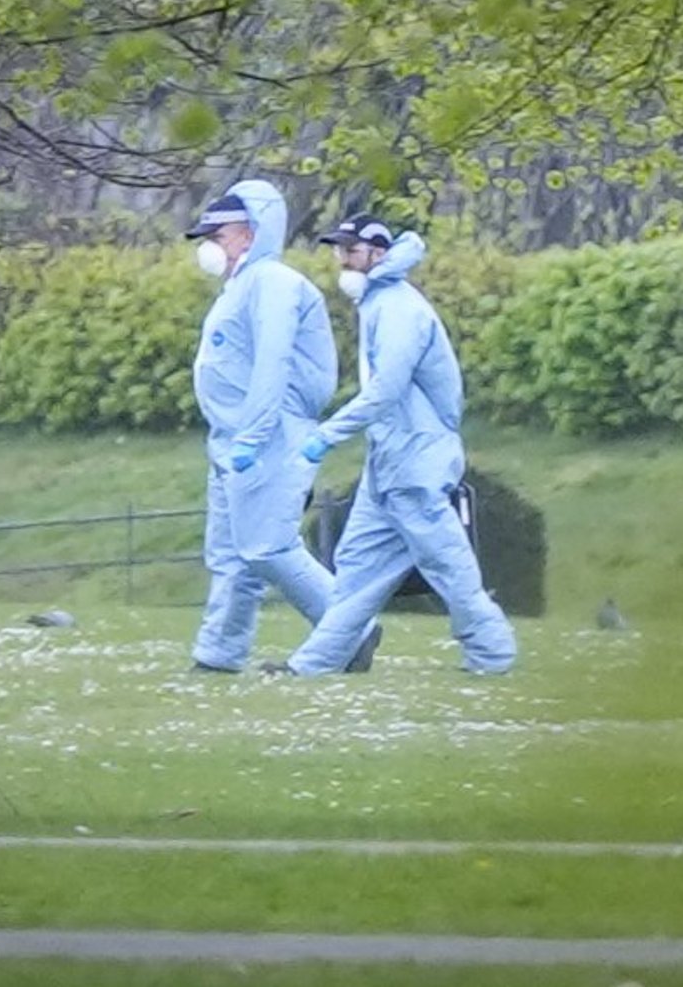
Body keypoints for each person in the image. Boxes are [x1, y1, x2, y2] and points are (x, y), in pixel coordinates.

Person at [281, 214, 517, 676]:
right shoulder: (378, 302)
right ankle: (316, 663)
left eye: (350, 250)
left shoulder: (399, 309)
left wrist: (324, 436)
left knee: (447, 563)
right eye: (338, 250)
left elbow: (386, 389)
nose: (342, 260)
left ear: (379, 253)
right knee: (355, 568)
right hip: (390, 460)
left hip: (417, 459)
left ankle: (493, 653)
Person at [186, 180, 378, 674]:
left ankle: (348, 630)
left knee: (267, 545)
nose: (211, 247)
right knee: (232, 553)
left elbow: (272, 362)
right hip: (233, 439)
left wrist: (251, 437)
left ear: (250, 233)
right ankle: (219, 654)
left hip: (270, 436)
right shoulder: (244, 286)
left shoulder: (272, 283)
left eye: (219, 235)